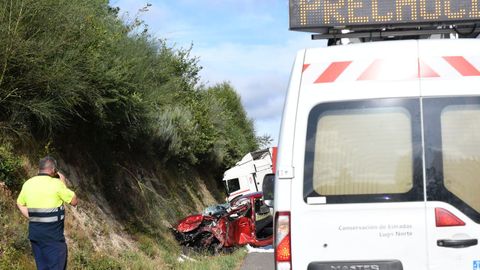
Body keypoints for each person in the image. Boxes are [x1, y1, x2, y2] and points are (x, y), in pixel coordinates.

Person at [16, 156, 78, 270]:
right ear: (53, 170)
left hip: (35, 237)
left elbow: (20, 203)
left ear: (39, 169)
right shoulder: (56, 184)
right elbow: (74, 201)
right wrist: (62, 182)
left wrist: (33, 217)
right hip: (53, 239)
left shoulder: (28, 184)